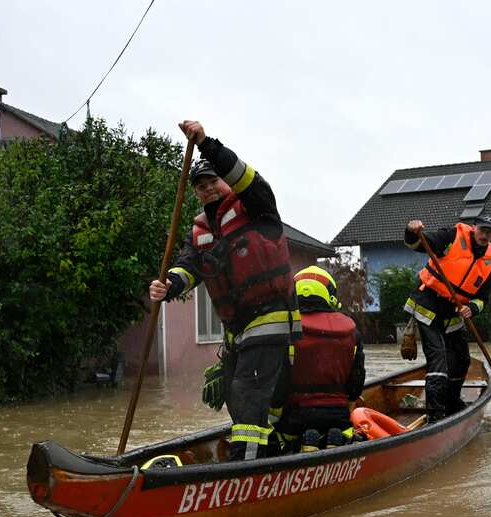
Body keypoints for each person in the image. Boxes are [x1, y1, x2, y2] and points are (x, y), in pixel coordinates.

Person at [149, 120, 298, 461]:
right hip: (235, 331)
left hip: (271, 319)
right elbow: (188, 267)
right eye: (200, 186)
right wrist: (167, 285)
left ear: (226, 182)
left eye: (213, 181)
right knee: (237, 396)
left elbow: (246, 177)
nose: (208, 189)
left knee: (247, 394)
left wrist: (205, 144)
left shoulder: (257, 207)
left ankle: (243, 471)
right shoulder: (199, 230)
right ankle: (269, 452)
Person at [403, 212, 491, 421]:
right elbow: (420, 244)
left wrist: (472, 307)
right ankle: (435, 415)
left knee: (462, 359)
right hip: (428, 304)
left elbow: (484, 297)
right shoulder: (453, 236)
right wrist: (412, 232)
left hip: (453, 311)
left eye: (489, 232)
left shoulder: (490, 259)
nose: (485, 235)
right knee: (438, 360)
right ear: (474, 228)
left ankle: (452, 401)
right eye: (482, 230)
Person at [275, 266, 365, 453]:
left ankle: (304, 444)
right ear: (329, 294)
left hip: (296, 416)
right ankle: (334, 439)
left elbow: (279, 382)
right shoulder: (351, 332)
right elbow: (356, 381)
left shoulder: (286, 329)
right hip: (338, 415)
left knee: (281, 438)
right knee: (344, 432)